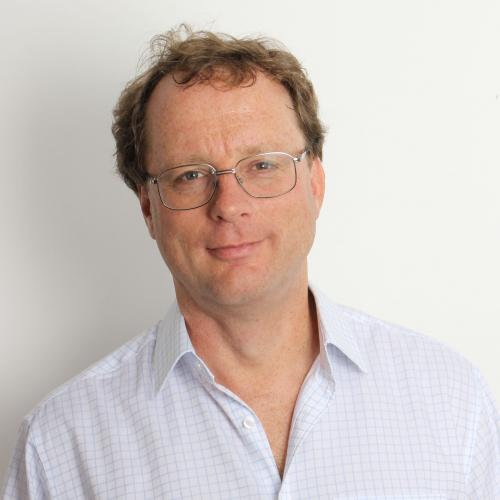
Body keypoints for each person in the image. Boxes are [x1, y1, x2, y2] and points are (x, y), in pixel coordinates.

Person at [2, 25, 499, 499]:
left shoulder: (453, 398)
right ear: (148, 208)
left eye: (262, 165)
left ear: (316, 183)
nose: (229, 205)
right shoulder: (61, 443)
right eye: (190, 175)